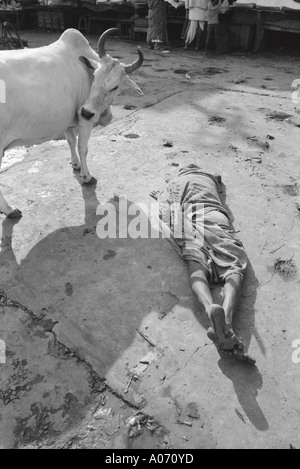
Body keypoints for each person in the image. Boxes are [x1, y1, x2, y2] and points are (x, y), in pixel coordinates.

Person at [151, 164, 256, 365]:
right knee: (234, 264)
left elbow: (166, 209)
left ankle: (209, 308)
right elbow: (219, 177)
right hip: (213, 215)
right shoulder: (209, 178)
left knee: (196, 263)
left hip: (189, 218)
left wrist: (160, 197)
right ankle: (226, 317)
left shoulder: (173, 183)